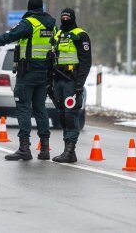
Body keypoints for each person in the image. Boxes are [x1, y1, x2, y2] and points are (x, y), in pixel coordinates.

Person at [0, 0, 56, 161]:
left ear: (29, 8)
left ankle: (24, 148)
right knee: (40, 109)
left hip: (27, 74)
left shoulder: (28, 24)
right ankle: (44, 149)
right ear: (42, 8)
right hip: (44, 74)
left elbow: (4, 39)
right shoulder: (52, 26)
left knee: (23, 108)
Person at [47, 8, 92, 163]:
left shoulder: (81, 35)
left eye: (68, 16)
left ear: (73, 18)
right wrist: (49, 82)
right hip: (57, 80)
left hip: (71, 81)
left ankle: (70, 150)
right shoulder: (58, 34)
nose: (65, 18)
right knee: (61, 115)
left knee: (70, 115)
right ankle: (68, 150)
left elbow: (86, 63)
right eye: (63, 16)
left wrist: (79, 84)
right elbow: (51, 58)